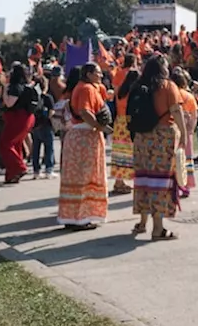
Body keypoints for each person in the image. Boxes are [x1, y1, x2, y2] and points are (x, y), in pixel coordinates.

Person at [130, 54, 186, 239]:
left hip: (141, 138)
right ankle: (158, 228)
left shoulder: (138, 86)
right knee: (160, 181)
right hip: (163, 137)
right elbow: (176, 112)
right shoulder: (168, 86)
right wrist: (184, 135)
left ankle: (142, 222)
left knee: (144, 178)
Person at [58, 63, 111, 229]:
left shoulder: (82, 87)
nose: (101, 75)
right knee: (84, 178)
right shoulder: (87, 89)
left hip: (79, 135)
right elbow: (84, 112)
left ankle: (72, 217)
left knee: (77, 179)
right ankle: (81, 218)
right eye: (97, 72)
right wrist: (99, 126)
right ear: (88, 74)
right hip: (84, 137)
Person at [0, 65, 39, 184]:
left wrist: (5, 90)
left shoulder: (15, 87)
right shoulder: (27, 86)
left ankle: (19, 168)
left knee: (5, 144)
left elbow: (9, 103)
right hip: (27, 118)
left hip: (18, 118)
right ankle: (12, 175)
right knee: (16, 145)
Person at [111, 63, 139, 194]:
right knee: (129, 153)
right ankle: (121, 182)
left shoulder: (120, 92)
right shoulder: (132, 94)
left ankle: (119, 181)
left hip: (119, 123)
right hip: (128, 124)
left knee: (119, 154)